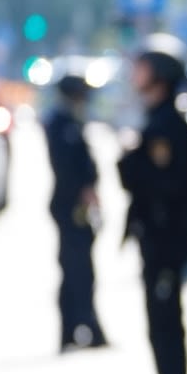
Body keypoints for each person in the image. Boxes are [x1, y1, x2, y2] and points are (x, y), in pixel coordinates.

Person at [117, 46, 187, 374]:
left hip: (166, 243)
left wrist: (131, 161)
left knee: (167, 330)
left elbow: (163, 183)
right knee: (159, 328)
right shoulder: (156, 120)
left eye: (143, 68)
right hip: (156, 240)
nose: (136, 74)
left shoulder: (170, 125)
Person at [44, 75, 108, 352]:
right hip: (70, 206)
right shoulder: (61, 123)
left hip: (76, 205)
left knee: (81, 268)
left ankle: (81, 326)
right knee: (75, 268)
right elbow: (69, 168)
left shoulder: (70, 120)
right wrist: (85, 192)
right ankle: (78, 327)